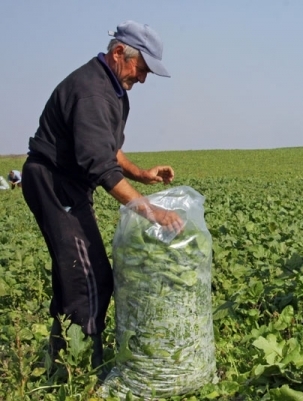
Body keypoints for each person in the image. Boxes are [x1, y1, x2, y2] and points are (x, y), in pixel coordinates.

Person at [21, 20, 184, 370]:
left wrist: (141, 172)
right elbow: (100, 166)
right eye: (141, 69)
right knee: (89, 277)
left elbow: (109, 149)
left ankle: (61, 360)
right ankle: (79, 372)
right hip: (54, 183)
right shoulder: (93, 92)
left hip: (68, 184)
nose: (142, 79)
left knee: (77, 274)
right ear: (118, 54)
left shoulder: (110, 89)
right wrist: (152, 212)